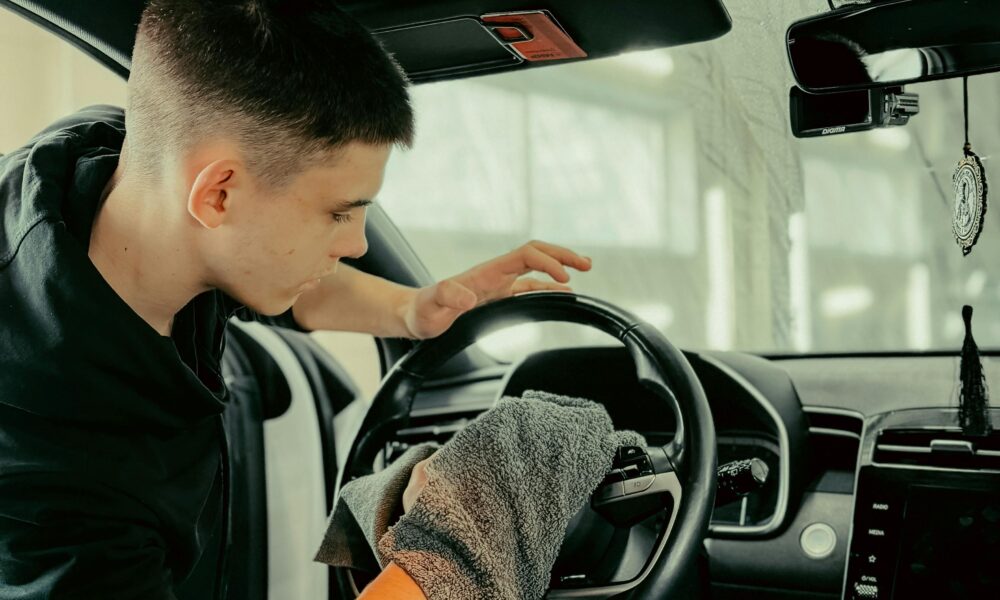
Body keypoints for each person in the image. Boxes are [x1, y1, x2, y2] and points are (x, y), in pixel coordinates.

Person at [0, 1, 592, 598]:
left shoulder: (105, 166)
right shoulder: (57, 473)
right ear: (218, 195)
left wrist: (410, 310)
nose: (359, 242)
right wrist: (453, 552)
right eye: (338, 212)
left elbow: (265, 274)